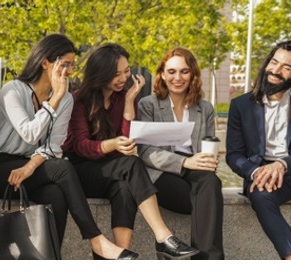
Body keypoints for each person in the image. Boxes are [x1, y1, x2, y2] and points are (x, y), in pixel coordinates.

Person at [0, 34, 136, 260]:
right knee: (63, 168)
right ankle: (96, 240)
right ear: (45, 62)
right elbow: (30, 133)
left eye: (72, 66)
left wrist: (29, 167)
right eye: (64, 65)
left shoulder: (66, 99)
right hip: (1, 169)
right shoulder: (13, 90)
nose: (69, 72)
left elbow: (54, 146)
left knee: (56, 194)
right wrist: (54, 100)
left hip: (31, 169)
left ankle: (52, 260)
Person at [64, 43, 199, 260]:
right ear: (101, 73)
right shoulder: (78, 99)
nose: (123, 78)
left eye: (126, 71)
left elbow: (128, 141)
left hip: (114, 170)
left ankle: (118, 257)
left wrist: (128, 102)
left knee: (125, 188)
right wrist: (112, 145)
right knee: (132, 164)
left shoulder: (123, 97)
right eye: (116, 74)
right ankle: (163, 236)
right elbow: (81, 146)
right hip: (82, 171)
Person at [226, 41, 291, 260]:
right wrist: (256, 172)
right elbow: (234, 155)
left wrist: (282, 164)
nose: (275, 71)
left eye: (287, 67)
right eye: (274, 62)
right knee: (260, 195)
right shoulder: (240, 105)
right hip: (264, 175)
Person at [137, 47, 225, 260]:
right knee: (206, 190)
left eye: (184, 71)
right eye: (172, 71)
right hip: (161, 173)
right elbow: (145, 151)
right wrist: (186, 163)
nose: (178, 77)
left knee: (211, 181)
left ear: (193, 74)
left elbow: (208, 144)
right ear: (163, 74)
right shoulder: (148, 105)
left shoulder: (205, 108)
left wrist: (209, 158)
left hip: (196, 174)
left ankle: (208, 261)